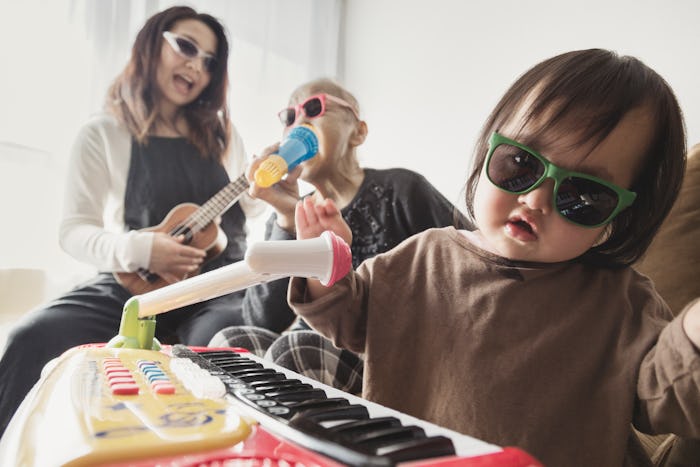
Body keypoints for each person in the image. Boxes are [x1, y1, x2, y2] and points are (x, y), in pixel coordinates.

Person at [287, 49, 700, 466]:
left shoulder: (623, 303)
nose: (536, 199)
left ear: (620, 218)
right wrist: (327, 261)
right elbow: (346, 316)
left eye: (584, 195)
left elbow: (667, 396)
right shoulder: (423, 257)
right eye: (520, 163)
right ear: (489, 149)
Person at [0, 6, 260, 438]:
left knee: (216, 348)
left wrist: (266, 190)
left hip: (215, 288)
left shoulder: (225, 136)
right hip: (133, 284)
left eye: (210, 61)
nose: (197, 65)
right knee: (31, 337)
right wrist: (138, 249)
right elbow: (74, 229)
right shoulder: (103, 133)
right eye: (187, 47)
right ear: (151, 42)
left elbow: (247, 212)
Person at [209, 78, 468, 394]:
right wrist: (286, 218)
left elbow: (476, 257)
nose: (298, 123)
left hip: (393, 361)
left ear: (358, 132)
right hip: (314, 357)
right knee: (230, 345)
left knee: (295, 350)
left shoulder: (402, 190)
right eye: (288, 117)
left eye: (314, 108)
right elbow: (259, 321)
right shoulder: (297, 212)